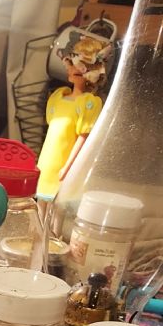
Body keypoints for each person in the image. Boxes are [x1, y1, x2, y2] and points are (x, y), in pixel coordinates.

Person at [35, 31, 111, 202]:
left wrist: (68, 168)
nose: (73, 69)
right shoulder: (59, 96)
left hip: (64, 163)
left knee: (56, 204)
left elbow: (82, 139)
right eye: (72, 64)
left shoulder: (88, 102)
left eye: (80, 68)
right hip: (47, 159)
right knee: (40, 201)